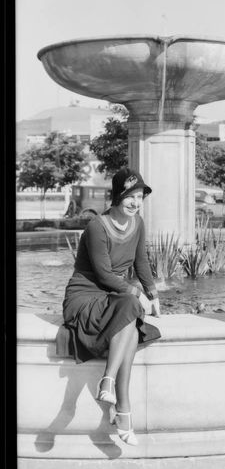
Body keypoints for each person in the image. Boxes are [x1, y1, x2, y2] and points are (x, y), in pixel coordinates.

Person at [56, 168, 163, 446]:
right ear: (117, 195)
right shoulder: (97, 227)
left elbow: (141, 263)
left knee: (128, 312)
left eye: (140, 197)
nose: (136, 202)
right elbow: (103, 274)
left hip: (114, 296)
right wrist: (135, 293)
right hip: (86, 296)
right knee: (129, 309)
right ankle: (123, 406)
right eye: (130, 196)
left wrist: (152, 293)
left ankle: (108, 384)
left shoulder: (137, 222)